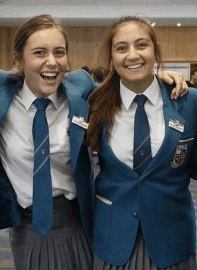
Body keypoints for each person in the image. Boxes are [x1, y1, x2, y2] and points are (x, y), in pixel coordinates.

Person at [0, 14, 188, 270]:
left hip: (80, 219)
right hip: (27, 224)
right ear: (20, 59)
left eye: (59, 52)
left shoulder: (81, 90)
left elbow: (122, 84)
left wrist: (158, 77)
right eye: (39, 52)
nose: (51, 62)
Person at [87, 16, 197, 270]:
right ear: (112, 57)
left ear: (155, 51)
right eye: (121, 48)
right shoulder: (94, 103)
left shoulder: (188, 102)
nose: (132, 55)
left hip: (172, 240)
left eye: (141, 45)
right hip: (113, 238)